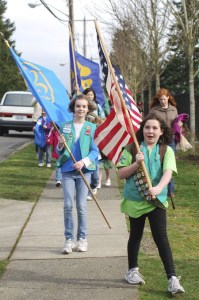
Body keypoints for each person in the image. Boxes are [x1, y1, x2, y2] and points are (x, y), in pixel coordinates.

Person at [117, 113, 185, 295]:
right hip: (135, 200)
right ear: (142, 130)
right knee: (136, 236)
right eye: (147, 127)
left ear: (161, 131)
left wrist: (158, 188)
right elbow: (121, 174)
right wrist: (136, 164)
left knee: (161, 238)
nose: (150, 131)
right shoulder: (132, 148)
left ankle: (172, 279)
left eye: (155, 128)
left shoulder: (166, 150)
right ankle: (132, 271)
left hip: (156, 201)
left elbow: (168, 172)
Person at [57, 94, 98, 254]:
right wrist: (60, 144)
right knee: (68, 205)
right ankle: (69, 240)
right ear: (73, 108)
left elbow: (95, 150)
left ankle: (82, 238)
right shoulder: (65, 126)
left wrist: (84, 162)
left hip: (84, 172)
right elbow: (58, 151)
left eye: (84, 106)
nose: (81, 109)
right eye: (78, 106)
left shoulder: (92, 127)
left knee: (81, 206)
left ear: (88, 109)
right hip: (67, 171)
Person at [149, 88, 178, 198]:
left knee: (169, 164)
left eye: (164, 99)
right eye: (160, 100)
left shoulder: (174, 110)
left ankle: (170, 190)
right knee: (158, 163)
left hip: (171, 140)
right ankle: (157, 186)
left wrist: (179, 125)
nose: (162, 102)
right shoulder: (154, 110)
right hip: (158, 140)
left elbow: (176, 123)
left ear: (168, 98)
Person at [83, 88, 105, 199]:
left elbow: (102, 119)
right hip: (84, 143)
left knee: (95, 173)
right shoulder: (81, 110)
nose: (90, 96)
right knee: (87, 169)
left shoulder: (97, 109)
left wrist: (98, 123)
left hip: (95, 141)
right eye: (88, 94)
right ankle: (87, 192)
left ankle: (94, 185)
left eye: (91, 94)